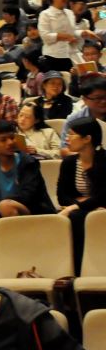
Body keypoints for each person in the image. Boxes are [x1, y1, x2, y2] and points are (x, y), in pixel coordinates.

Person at [0, 121, 54, 225]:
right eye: (3, 140)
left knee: (5, 205)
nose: (10, 142)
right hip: (4, 218)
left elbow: (27, 197)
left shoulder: (28, 163)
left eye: (12, 138)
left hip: (36, 215)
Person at [57, 116, 106, 273]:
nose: (67, 138)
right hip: (84, 209)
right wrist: (81, 204)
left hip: (100, 209)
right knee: (72, 216)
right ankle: (73, 270)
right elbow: (61, 196)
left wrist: (74, 206)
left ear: (87, 139)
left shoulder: (104, 161)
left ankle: (83, 270)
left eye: (72, 134)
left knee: (75, 216)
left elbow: (103, 196)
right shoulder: (69, 163)